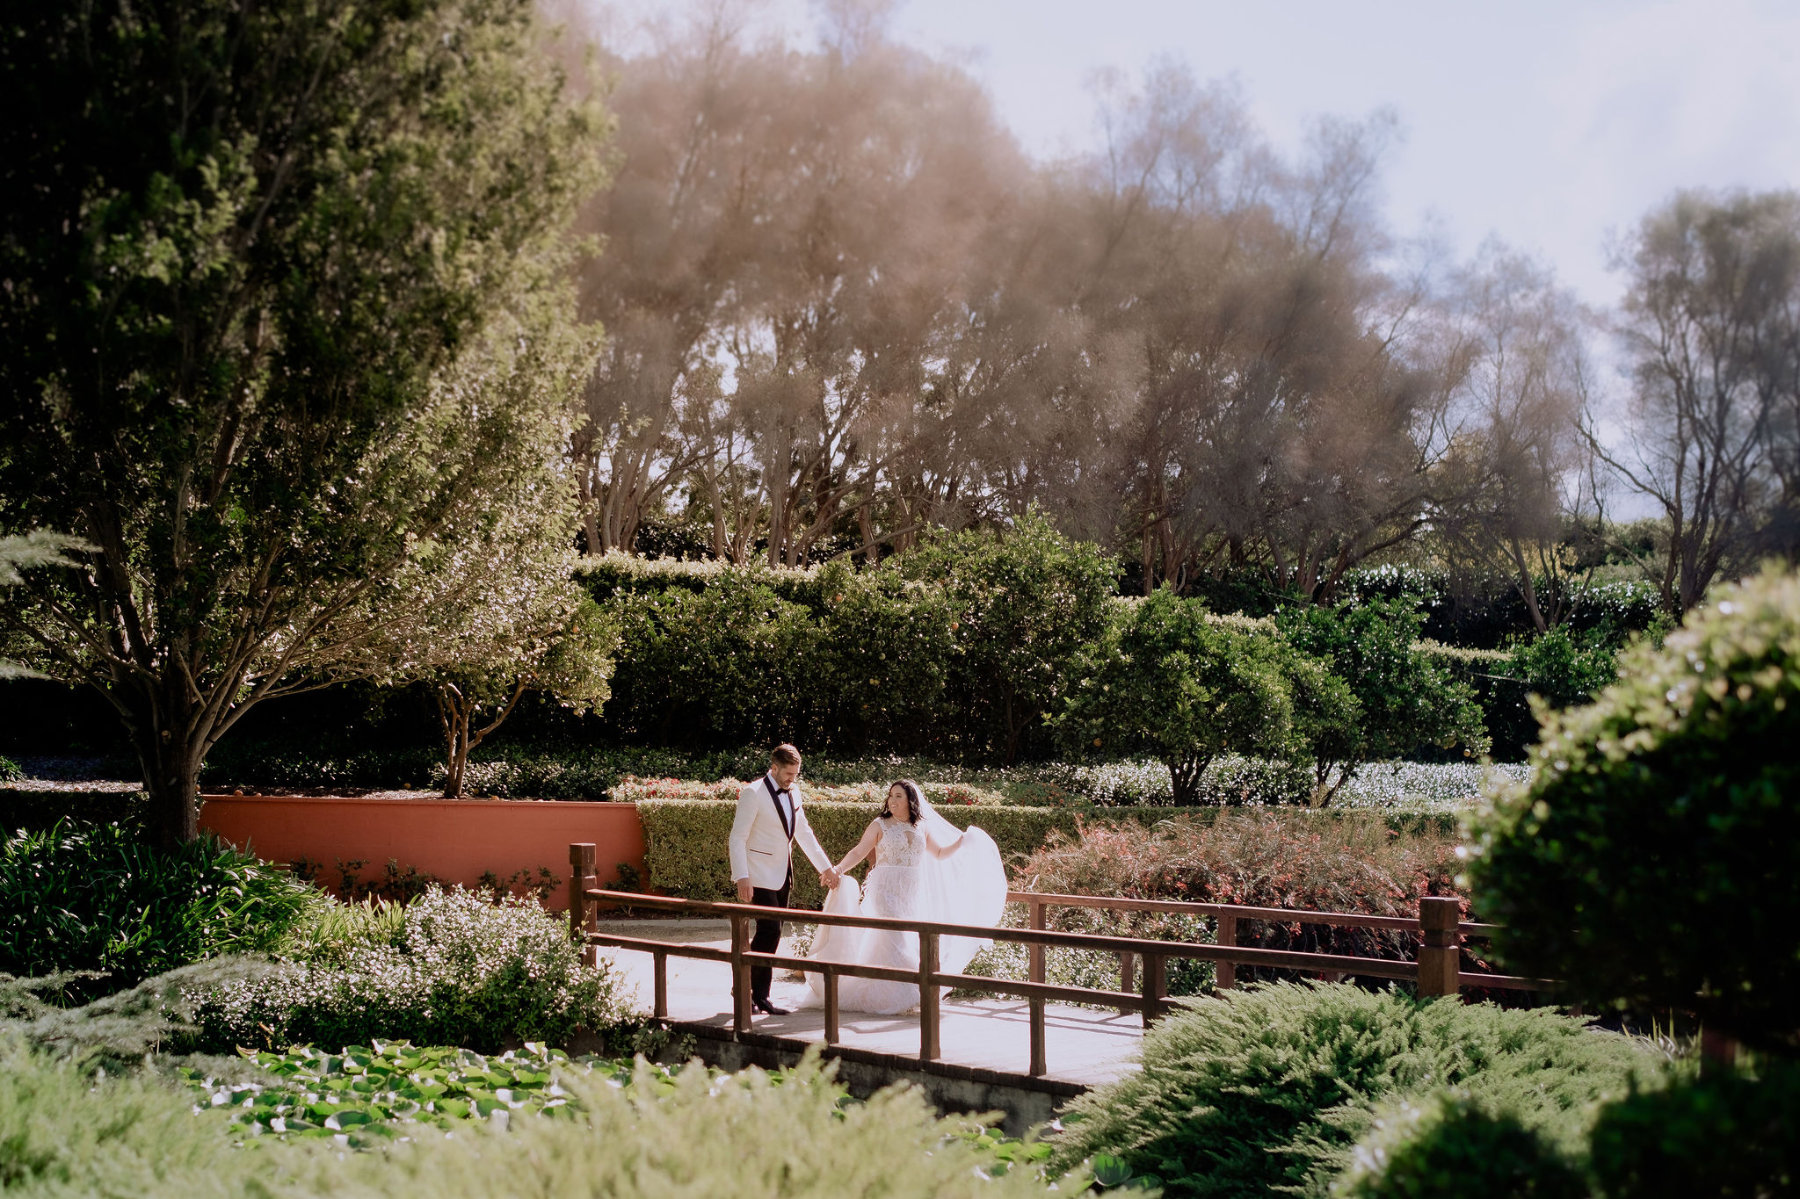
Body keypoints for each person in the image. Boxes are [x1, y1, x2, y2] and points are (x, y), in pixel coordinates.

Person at [801, 779, 1007, 1015]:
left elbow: (939, 853)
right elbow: (859, 850)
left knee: (901, 940)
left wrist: (961, 842)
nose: (893, 800)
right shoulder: (880, 824)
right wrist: (838, 869)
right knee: (896, 937)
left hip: (911, 892)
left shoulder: (922, 826)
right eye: (891, 796)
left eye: (898, 796)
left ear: (911, 800)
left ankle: (888, 990)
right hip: (884, 890)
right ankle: (908, 994)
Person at [728, 743, 838, 1016]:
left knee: (771, 934)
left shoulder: (794, 792)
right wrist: (742, 876)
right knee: (770, 931)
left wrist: (825, 868)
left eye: (795, 774)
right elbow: (737, 837)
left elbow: (804, 834)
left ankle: (744, 986)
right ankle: (760, 996)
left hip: (783, 874)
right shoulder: (752, 793)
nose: (792, 779)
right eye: (788, 774)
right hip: (757, 874)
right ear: (774, 767)